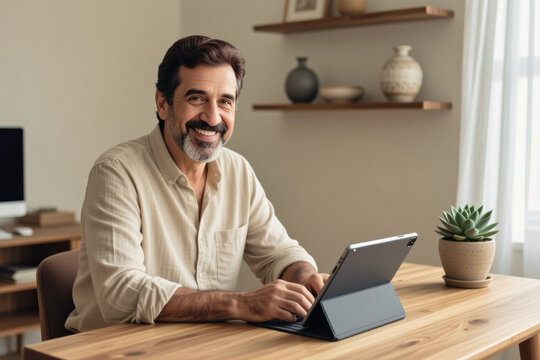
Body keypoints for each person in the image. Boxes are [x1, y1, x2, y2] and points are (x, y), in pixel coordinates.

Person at [66, 35, 328, 332]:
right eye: (197, 98)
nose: (213, 117)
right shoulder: (116, 172)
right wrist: (240, 304)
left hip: (205, 346)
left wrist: (305, 277)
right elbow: (121, 295)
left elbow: (280, 254)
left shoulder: (238, 170)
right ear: (162, 104)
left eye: (225, 102)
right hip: (118, 349)